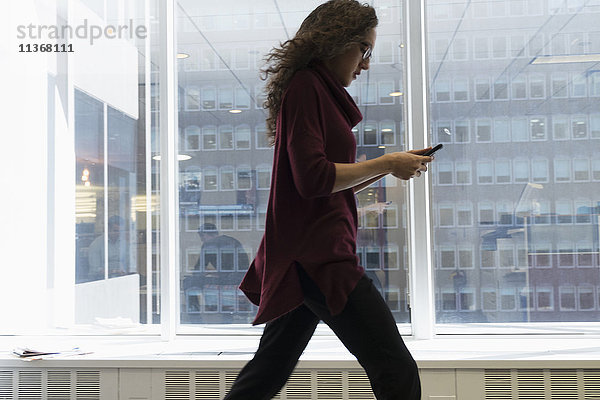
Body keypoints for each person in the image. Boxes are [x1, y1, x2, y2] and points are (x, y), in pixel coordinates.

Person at [224, 1, 433, 399]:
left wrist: (387, 168)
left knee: (267, 371)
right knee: (395, 369)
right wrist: (387, 161)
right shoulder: (307, 87)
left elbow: (318, 186)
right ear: (336, 40)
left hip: (306, 254)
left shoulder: (314, 90)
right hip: (319, 258)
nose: (366, 64)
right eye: (364, 50)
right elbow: (315, 179)